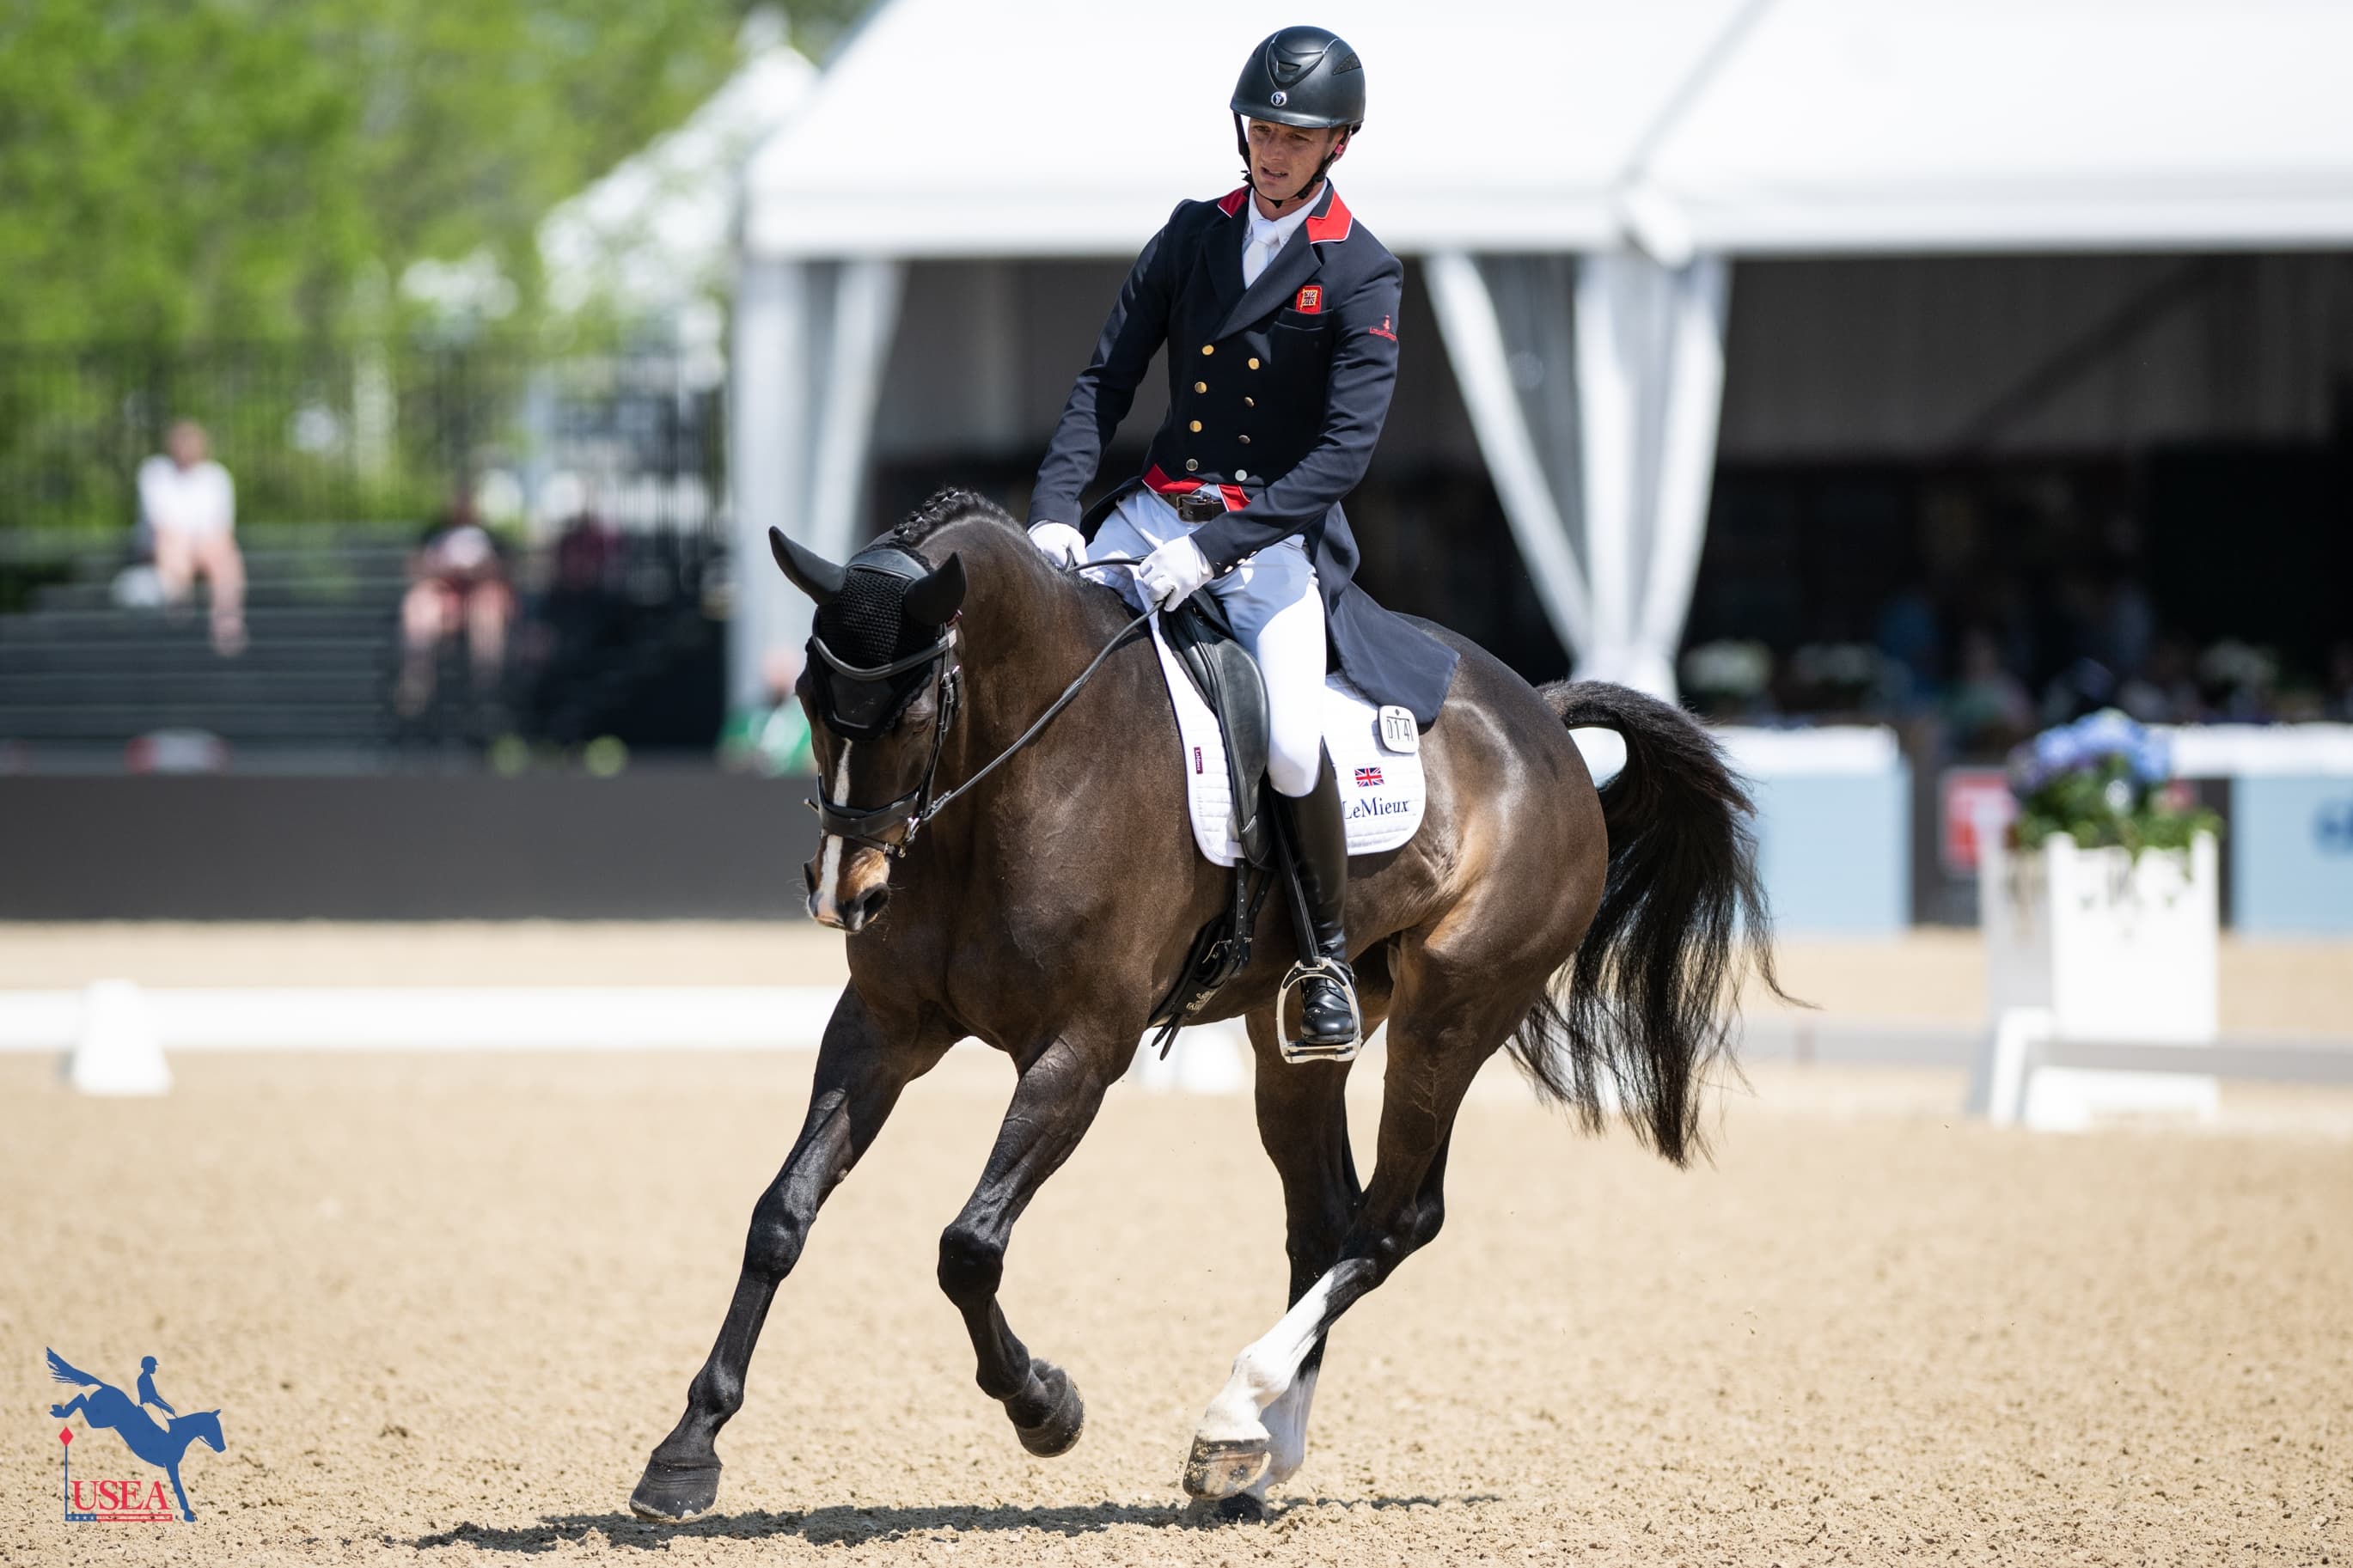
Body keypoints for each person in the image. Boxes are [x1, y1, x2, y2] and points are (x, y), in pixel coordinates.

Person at [1026, 26, 1456, 1052]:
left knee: (1293, 743)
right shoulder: (1191, 234)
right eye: (1261, 130)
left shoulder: (1361, 272)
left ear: (1336, 144)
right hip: (1150, 512)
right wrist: (1053, 509)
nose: (1272, 150)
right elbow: (1104, 382)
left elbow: (1340, 455)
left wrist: (1213, 551)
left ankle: (1320, 959)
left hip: (1269, 543)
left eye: (1294, 137)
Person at [395, 498, 513, 721]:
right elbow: (414, 568)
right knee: (420, 604)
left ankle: (487, 690)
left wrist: (476, 570)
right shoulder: (433, 533)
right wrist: (439, 568)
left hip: (477, 601)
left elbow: (503, 572)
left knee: (487, 609)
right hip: (443, 598)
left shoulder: (489, 536)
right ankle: (417, 683)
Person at [137, 420, 246, 656]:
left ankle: (226, 623)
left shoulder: (216, 476)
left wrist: (202, 548)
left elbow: (221, 529)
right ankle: (179, 608)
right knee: (172, 545)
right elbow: (161, 525)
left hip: (205, 548)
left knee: (226, 557)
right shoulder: (156, 471)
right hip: (165, 547)